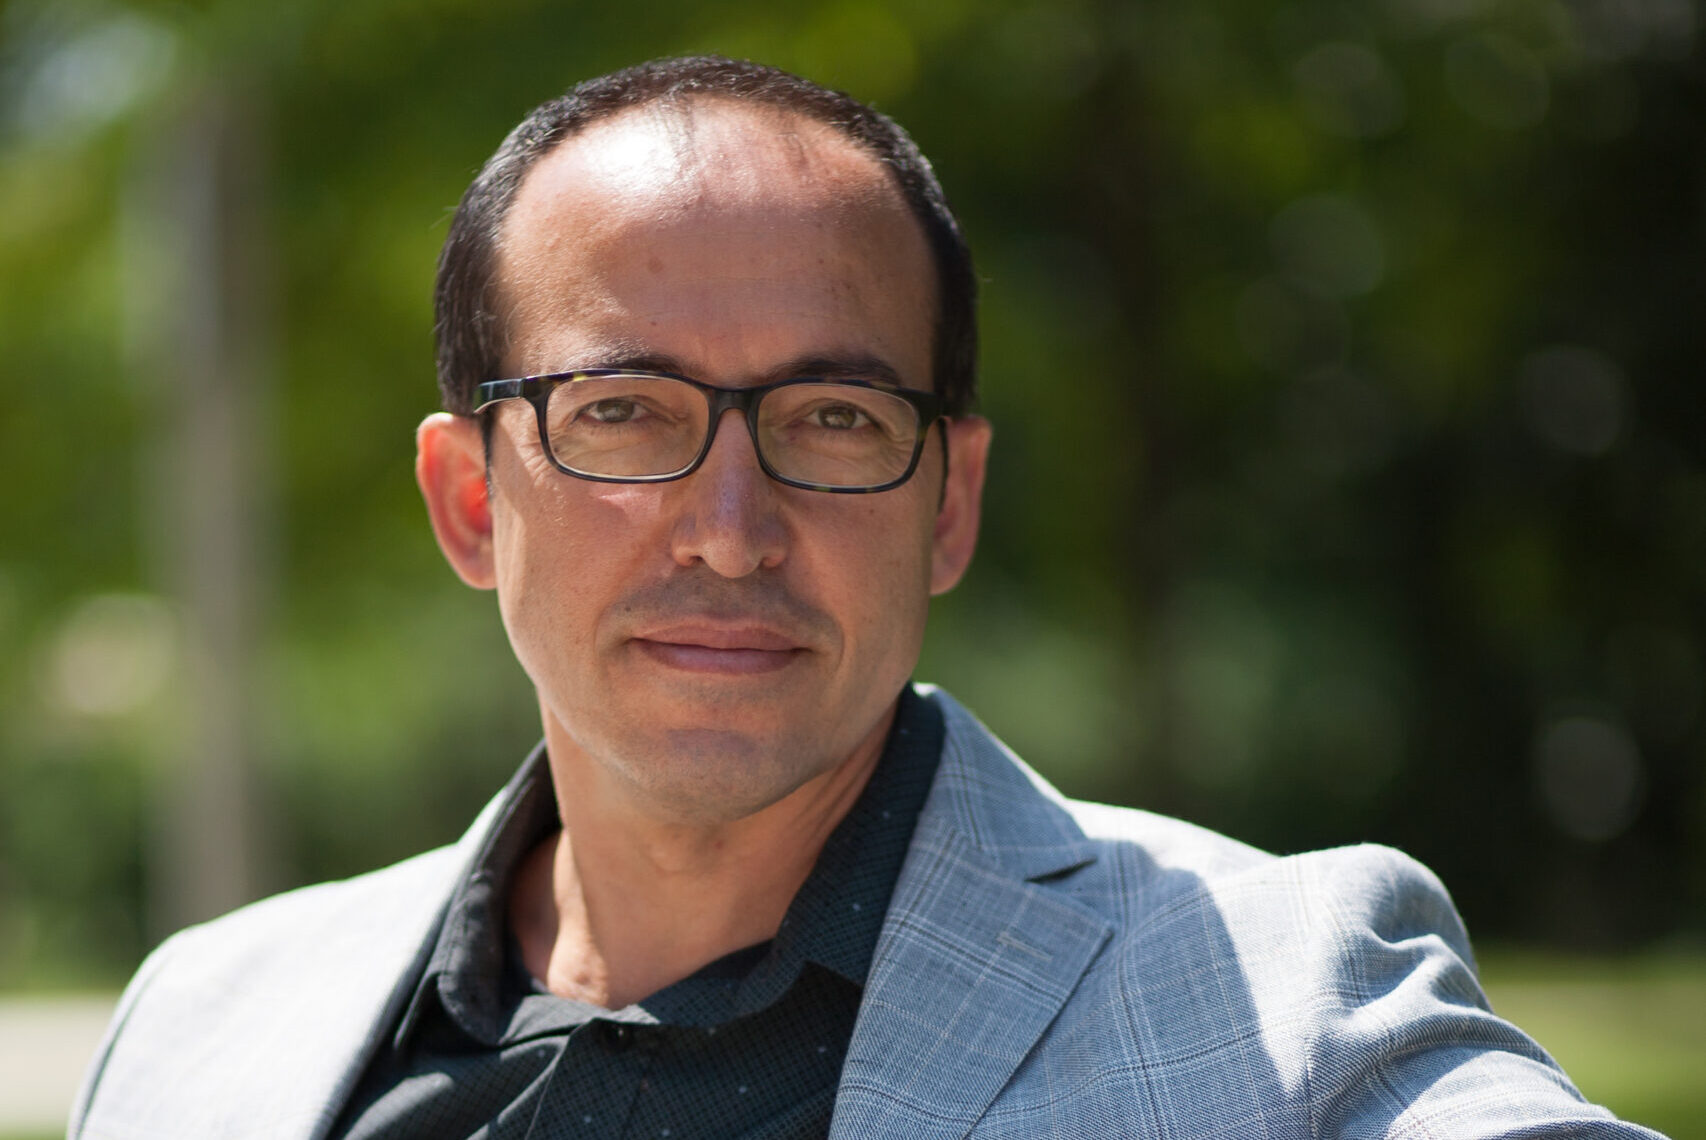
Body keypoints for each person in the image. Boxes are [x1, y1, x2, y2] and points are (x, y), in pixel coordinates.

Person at [70, 56, 1663, 1140]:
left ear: (947, 501)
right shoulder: (202, 1020)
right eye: (624, 412)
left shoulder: (1281, 995)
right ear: (472, 501)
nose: (730, 529)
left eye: (833, 420)